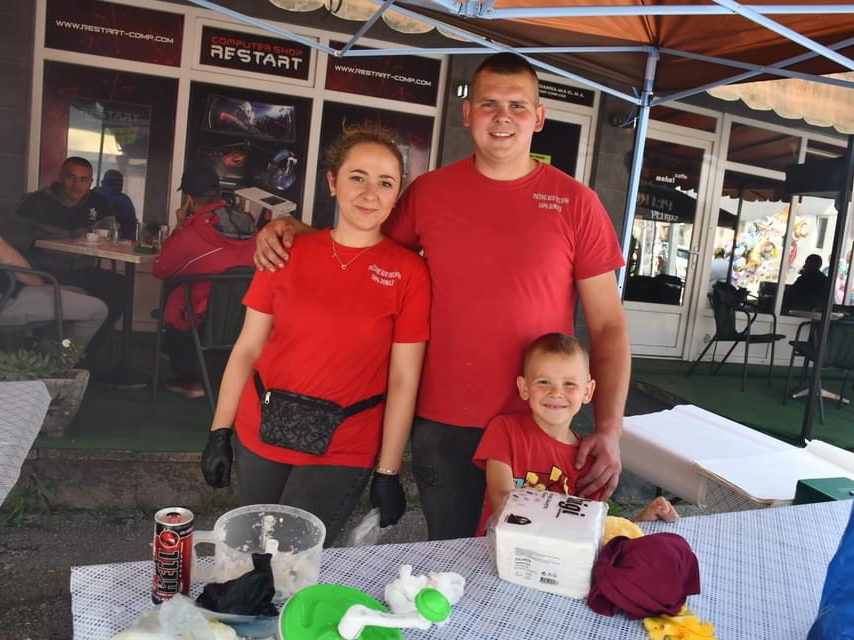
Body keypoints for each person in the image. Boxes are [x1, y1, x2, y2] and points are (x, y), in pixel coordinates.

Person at [255, 53, 630, 541]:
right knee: (449, 551)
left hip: (537, 422)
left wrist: (610, 428)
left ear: (538, 118)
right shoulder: (429, 193)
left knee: (536, 555)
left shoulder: (577, 203)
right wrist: (297, 231)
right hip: (442, 420)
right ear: (468, 113)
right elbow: (364, 246)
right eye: (489, 103)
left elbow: (608, 325)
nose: (502, 117)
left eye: (517, 106)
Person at [199, 125, 431, 546]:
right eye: (357, 177)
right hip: (261, 431)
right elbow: (247, 348)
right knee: (254, 553)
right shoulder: (283, 252)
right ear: (332, 181)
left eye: (385, 183)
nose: (370, 194)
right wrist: (219, 431)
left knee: (294, 560)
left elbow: (403, 378)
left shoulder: (409, 272)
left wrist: (388, 470)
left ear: (397, 193)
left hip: (344, 444)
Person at [472, 333, 677, 535]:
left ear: (587, 392)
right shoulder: (504, 431)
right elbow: (501, 500)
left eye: (569, 384)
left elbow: (591, 532)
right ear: (524, 388)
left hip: (558, 555)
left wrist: (639, 522)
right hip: (497, 550)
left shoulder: (587, 461)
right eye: (544, 382)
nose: (556, 392)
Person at [151, 166, 256, 399]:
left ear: (188, 199)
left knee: (175, 297)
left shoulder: (192, 233)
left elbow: (161, 269)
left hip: (206, 317)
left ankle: (189, 379)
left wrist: (180, 225)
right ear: (218, 192)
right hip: (248, 317)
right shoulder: (250, 224)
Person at [15, 156, 126, 344]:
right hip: (45, 272)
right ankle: (54, 347)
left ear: (91, 182)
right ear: (61, 177)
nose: (77, 185)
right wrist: (42, 246)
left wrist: (99, 242)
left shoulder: (99, 203)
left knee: (118, 286)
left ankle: (86, 348)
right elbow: (14, 238)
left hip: (84, 271)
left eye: (83, 179)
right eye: (71, 177)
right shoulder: (37, 201)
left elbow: (111, 235)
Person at [0, 207, 107, 347]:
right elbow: (5, 256)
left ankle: (46, 352)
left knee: (80, 292)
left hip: (1, 290)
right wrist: (38, 283)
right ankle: (61, 359)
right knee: (98, 309)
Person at [95, 169, 137, 241]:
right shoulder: (94, 196)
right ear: (102, 183)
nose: (115, 186)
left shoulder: (124, 202)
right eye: (112, 182)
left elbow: (129, 233)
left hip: (118, 241)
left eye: (118, 183)